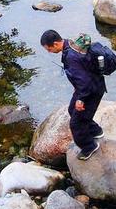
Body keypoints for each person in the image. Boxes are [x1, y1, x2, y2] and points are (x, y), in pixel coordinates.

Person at [41, 30, 106, 160]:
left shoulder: (71, 57)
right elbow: (82, 74)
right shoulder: (69, 43)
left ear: (55, 44)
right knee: (72, 109)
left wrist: (81, 99)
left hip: (91, 90)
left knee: (76, 123)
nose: (49, 52)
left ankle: (89, 147)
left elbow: (85, 82)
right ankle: (96, 131)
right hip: (89, 85)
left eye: (48, 49)